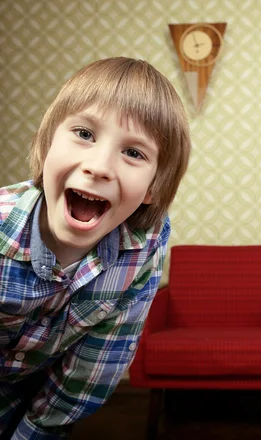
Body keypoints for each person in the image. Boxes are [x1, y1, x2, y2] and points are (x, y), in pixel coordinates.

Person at [0, 57, 191, 439]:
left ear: (152, 188)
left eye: (134, 153)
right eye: (85, 133)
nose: (99, 166)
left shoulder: (142, 250)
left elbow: (92, 373)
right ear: (47, 144)